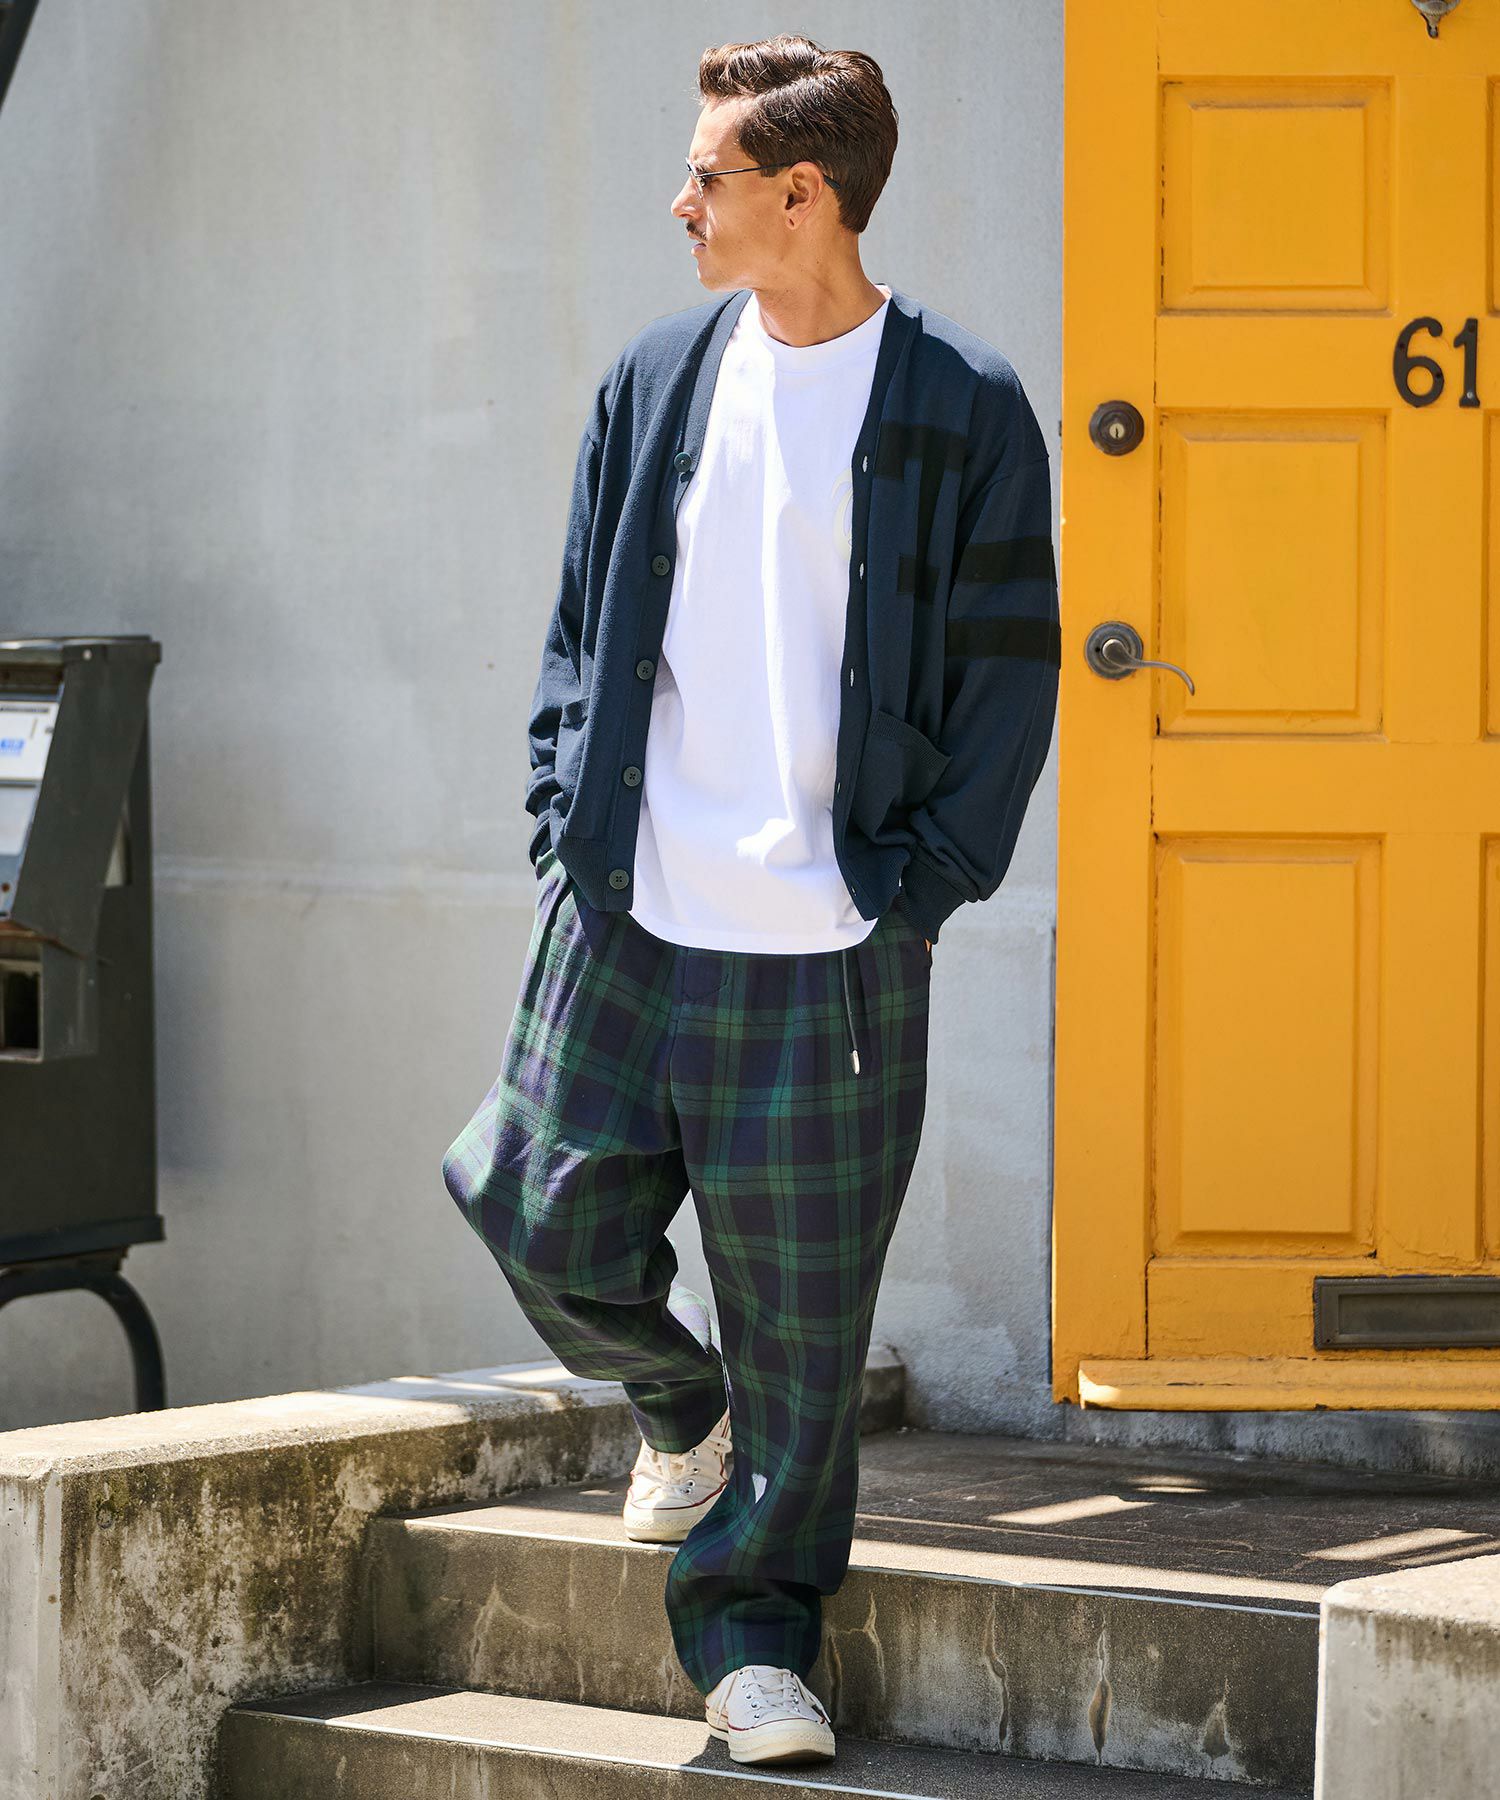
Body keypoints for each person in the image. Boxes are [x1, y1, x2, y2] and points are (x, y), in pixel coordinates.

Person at [442, 32, 1059, 1769]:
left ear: (805, 194)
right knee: (524, 1204)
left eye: (706, 175)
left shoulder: (962, 404)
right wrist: (564, 814)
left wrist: (916, 895)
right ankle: (676, 1403)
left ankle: (754, 1645)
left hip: (832, 951)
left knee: (805, 1337)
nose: (680, 202)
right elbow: (581, 623)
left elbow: (1010, 677)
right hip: (628, 915)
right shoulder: (658, 376)